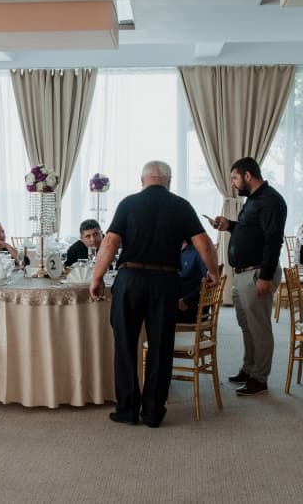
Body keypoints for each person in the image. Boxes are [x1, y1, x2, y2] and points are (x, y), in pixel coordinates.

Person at [90, 161, 218, 429]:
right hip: (165, 282)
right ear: (168, 181)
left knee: (125, 345)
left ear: (142, 181)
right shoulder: (181, 206)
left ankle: (127, 409)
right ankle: (152, 412)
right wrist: (214, 272)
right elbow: (204, 243)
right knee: (161, 346)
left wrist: (97, 277)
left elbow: (110, 242)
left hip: (130, 278)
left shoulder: (128, 203)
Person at [210, 157, 286, 397]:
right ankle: (249, 368)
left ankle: (259, 378)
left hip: (257, 273)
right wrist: (229, 225)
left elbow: (273, 240)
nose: (233, 183)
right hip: (243, 274)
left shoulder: (271, 200)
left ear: (247, 176)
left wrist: (265, 276)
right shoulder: (253, 200)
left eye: (234, 178)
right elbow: (252, 231)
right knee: (246, 325)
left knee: (259, 327)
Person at [176, 239, 208, 324]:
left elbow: (208, 282)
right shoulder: (171, 251)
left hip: (193, 308)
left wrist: (186, 300)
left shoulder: (199, 251)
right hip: (175, 304)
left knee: (154, 314)